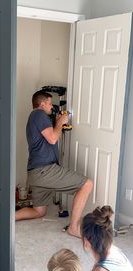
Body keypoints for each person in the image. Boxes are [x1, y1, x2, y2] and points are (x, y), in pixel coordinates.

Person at [15, 90, 93, 238]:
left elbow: (49, 136)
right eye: (50, 103)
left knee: (39, 212)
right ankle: (73, 228)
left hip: (34, 172)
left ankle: (9, 218)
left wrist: (56, 123)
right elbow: (52, 139)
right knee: (87, 184)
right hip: (45, 170)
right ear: (42, 104)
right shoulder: (39, 114)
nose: (51, 107)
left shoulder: (35, 119)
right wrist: (60, 122)